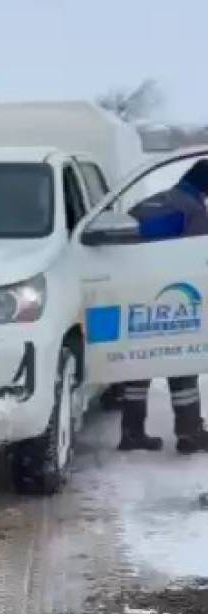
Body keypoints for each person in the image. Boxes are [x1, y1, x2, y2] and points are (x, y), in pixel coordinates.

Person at [119, 159, 208, 454]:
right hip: (173, 296)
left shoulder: (153, 201)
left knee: (137, 362)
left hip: (131, 292)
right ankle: (189, 435)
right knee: (182, 363)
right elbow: (196, 257)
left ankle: (131, 434)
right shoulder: (193, 209)